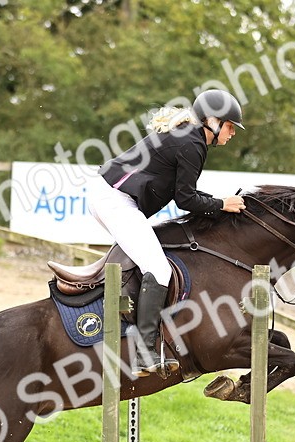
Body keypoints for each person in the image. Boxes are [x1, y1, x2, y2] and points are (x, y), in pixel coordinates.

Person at [92, 88, 246, 374]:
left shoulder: (190, 136)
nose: (233, 132)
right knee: (159, 269)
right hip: (114, 200)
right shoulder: (192, 143)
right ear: (212, 121)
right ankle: (143, 353)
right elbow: (186, 199)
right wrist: (222, 204)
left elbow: (184, 196)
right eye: (230, 125)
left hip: (111, 197)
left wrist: (217, 204)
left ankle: (126, 317)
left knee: (148, 261)